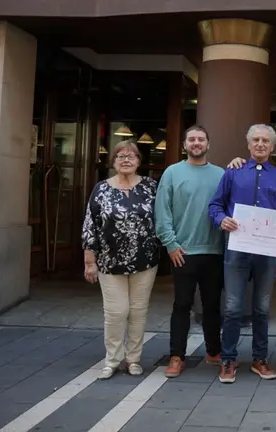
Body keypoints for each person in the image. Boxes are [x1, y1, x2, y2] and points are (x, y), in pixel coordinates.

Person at [208, 124, 276, 384]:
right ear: (248, 145)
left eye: (265, 141)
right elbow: (215, 205)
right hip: (237, 249)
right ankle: (228, 359)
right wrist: (222, 220)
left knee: (262, 308)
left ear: (272, 147)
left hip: (266, 255)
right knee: (233, 307)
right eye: (255, 140)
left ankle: (260, 358)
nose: (260, 144)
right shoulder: (232, 172)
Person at [81, 140, 160, 380]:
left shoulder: (151, 187)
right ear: (113, 161)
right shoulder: (101, 189)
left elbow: (165, 218)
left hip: (144, 260)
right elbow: (90, 224)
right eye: (120, 156)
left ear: (139, 161)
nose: (126, 160)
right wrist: (89, 260)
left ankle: (133, 359)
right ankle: (112, 360)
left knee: (138, 311)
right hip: (109, 261)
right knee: (116, 312)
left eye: (131, 156)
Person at [156, 125, 225, 378]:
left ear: (208, 144)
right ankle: (177, 356)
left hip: (214, 251)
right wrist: (171, 244)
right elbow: (162, 212)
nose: (196, 143)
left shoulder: (221, 174)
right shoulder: (172, 173)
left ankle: (214, 351)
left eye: (201, 139)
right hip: (182, 251)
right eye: (192, 140)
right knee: (182, 305)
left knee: (212, 306)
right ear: (184, 145)